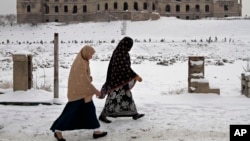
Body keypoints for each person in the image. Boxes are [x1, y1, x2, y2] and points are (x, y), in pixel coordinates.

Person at [50, 45, 107, 141]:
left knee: (90, 110)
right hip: (78, 93)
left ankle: (96, 131)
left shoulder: (84, 61)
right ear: (86, 53)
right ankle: (58, 131)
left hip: (83, 93)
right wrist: (95, 91)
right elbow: (83, 81)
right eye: (90, 54)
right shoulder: (80, 63)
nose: (91, 57)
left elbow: (84, 78)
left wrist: (89, 78)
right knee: (70, 113)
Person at [98, 36, 144, 123]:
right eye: (130, 46)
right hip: (117, 81)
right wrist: (135, 76)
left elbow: (123, 68)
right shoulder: (122, 53)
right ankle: (103, 115)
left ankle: (134, 114)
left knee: (127, 96)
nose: (130, 48)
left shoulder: (118, 52)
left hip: (119, 79)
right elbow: (124, 68)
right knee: (112, 97)